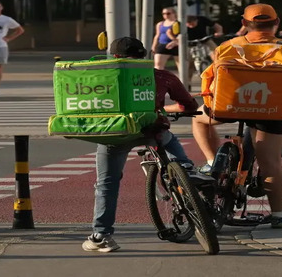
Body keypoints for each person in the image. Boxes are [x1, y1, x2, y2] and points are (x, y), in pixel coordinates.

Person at [191, 4, 282, 229]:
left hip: (227, 109)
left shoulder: (227, 47)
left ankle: (210, 161)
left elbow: (212, 81)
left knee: (197, 118)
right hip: (270, 113)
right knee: (271, 164)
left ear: (244, 23)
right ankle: (279, 216)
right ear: (277, 23)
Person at [83, 36, 201, 253]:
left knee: (107, 184)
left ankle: (101, 235)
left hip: (116, 134)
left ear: (115, 57)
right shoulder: (162, 76)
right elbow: (189, 105)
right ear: (143, 55)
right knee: (178, 156)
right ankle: (192, 183)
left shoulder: (102, 78)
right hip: (152, 132)